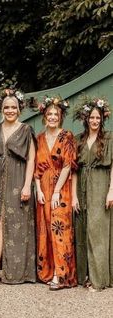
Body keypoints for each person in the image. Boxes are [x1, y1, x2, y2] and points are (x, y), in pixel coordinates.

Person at [0, 88, 36, 285]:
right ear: (1, 109)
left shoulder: (26, 130)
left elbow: (31, 159)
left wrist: (26, 186)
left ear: (19, 109)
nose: (10, 110)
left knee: (11, 224)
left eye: (13, 107)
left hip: (17, 178)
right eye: (6, 107)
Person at [35, 96, 77, 290]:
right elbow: (36, 166)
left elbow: (68, 166)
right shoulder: (39, 138)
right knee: (45, 229)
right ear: (44, 116)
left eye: (56, 114)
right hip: (43, 187)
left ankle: (61, 274)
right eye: (49, 114)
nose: (52, 117)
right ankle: (49, 270)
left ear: (61, 117)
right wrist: (37, 188)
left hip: (61, 189)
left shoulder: (67, 136)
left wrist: (57, 191)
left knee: (59, 228)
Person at [72, 96, 113, 291]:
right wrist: (73, 196)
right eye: (91, 118)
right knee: (82, 231)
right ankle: (85, 276)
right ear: (86, 119)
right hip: (81, 187)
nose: (94, 121)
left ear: (102, 119)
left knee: (97, 232)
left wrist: (111, 191)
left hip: (100, 185)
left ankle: (99, 280)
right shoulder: (79, 139)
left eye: (98, 118)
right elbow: (73, 170)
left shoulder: (109, 138)